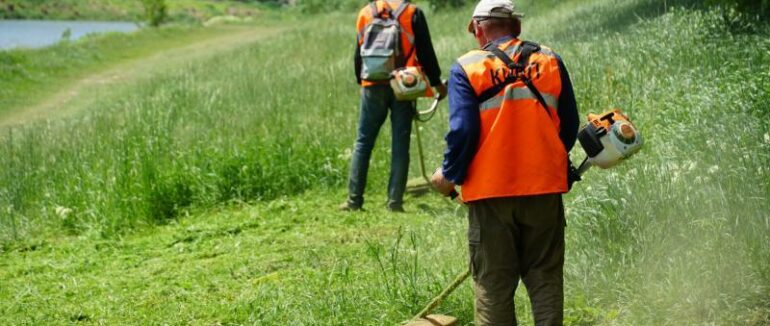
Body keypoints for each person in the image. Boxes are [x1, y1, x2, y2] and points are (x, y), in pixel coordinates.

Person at [430, 0, 579, 324]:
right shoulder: (550, 60)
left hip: (490, 195)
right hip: (544, 190)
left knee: (494, 286)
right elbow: (568, 127)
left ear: (479, 29)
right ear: (517, 27)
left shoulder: (467, 68)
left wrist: (450, 176)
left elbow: (463, 131)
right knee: (545, 279)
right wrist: (545, 162)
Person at [341, 0, 447, 212]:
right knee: (400, 144)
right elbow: (426, 52)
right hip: (403, 84)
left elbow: (358, 52)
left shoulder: (366, 12)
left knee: (363, 142)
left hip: (372, 84)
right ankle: (394, 202)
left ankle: (354, 201)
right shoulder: (412, 13)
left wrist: (361, 81)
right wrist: (437, 84)